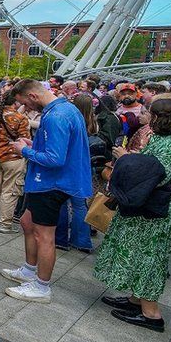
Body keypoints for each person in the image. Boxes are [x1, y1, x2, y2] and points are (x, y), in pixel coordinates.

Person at [93, 97, 171, 333]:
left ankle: (151, 314)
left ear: (159, 117)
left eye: (149, 112)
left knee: (149, 259)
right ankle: (137, 301)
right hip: (148, 209)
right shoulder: (168, 140)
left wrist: (126, 158)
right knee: (139, 254)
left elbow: (157, 174)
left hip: (154, 212)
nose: (143, 114)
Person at [3, 79, 93, 303]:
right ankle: (29, 269)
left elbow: (55, 158)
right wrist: (35, 147)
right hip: (51, 180)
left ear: (32, 96)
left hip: (52, 183)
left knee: (44, 235)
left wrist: (25, 150)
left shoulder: (55, 116)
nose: (26, 108)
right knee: (26, 222)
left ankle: (42, 286)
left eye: (25, 103)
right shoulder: (65, 108)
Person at [0, 91, 31, 233]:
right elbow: (25, 140)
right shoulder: (21, 118)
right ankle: (5, 224)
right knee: (9, 191)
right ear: (16, 102)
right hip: (13, 158)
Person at [54, 93, 96, 253]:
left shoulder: (69, 119)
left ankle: (60, 239)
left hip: (69, 164)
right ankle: (82, 241)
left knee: (62, 203)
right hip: (84, 165)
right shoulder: (94, 123)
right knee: (80, 205)